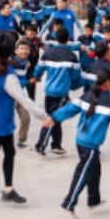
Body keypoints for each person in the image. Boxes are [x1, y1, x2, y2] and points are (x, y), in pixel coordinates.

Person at [0, 32, 48, 211]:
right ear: (9, 51)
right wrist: (44, 117)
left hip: (0, 119)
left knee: (10, 152)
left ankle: (8, 190)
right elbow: (23, 99)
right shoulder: (8, 76)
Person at [43, 69, 110, 217]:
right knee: (83, 173)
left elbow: (69, 109)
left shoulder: (87, 95)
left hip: (81, 141)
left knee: (95, 169)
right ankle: (69, 203)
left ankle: (94, 200)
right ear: (108, 83)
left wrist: (54, 117)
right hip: (90, 145)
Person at [33, 27, 82, 155]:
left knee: (55, 117)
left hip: (49, 91)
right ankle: (41, 145)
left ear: (55, 38)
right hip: (60, 93)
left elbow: (39, 69)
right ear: (68, 39)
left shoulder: (48, 53)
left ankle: (56, 145)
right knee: (53, 118)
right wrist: (74, 86)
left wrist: (36, 77)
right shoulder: (71, 56)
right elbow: (76, 77)